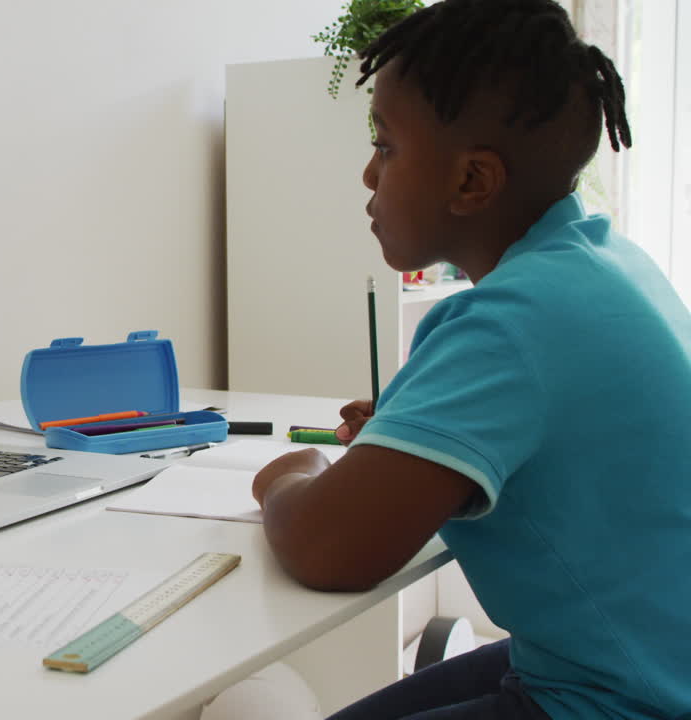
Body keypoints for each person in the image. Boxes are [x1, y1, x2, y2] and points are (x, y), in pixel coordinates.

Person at [249, 1, 691, 718]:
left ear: (471, 183)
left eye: (385, 147)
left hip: (626, 699)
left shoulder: (509, 320)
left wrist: (287, 477)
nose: (368, 174)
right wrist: (409, 439)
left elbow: (329, 549)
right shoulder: (603, 264)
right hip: (634, 659)